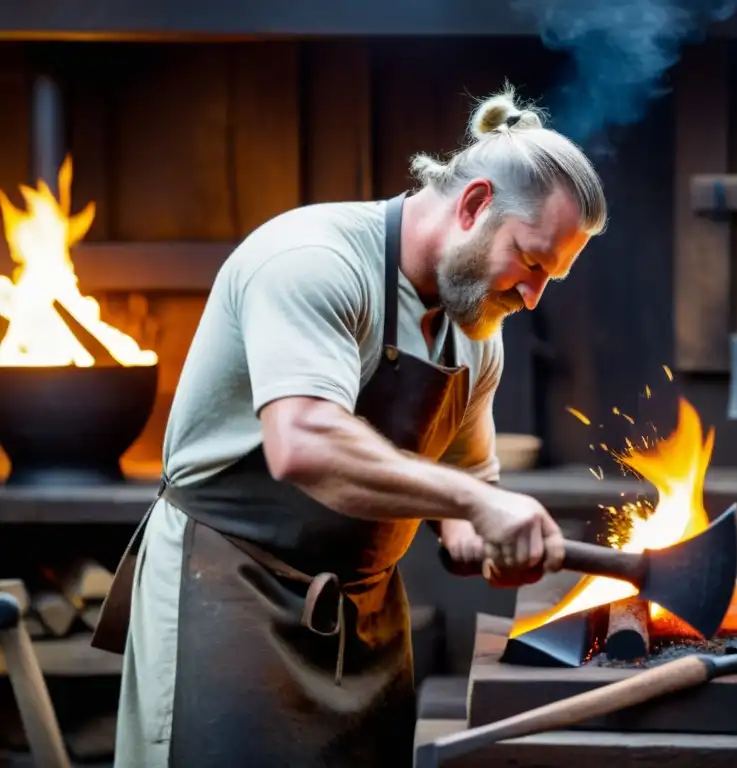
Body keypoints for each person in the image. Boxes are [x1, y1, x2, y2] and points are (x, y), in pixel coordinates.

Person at [91, 84, 608, 768]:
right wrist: (482, 505)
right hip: (229, 591)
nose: (532, 295)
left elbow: (466, 481)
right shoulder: (316, 261)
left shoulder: (476, 330)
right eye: (532, 260)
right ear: (476, 204)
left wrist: (479, 534)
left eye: (552, 278)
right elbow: (303, 443)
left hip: (364, 624)